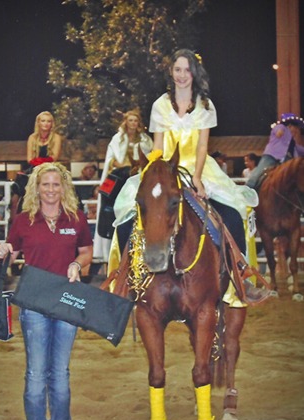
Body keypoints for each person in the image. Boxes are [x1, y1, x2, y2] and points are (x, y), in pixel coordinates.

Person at [113, 49, 268, 303]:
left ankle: (241, 275)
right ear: (171, 73)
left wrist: (196, 178)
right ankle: (125, 278)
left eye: (187, 70)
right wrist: (155, 174)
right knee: (126, 213)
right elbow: (158, 148)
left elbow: (201, 147)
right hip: (165, 167)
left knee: (233, 211)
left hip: (198, 167)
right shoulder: (160, 105)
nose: (182, 75)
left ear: (194, 74)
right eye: (178, 70)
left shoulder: (205, 105)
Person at [0, 162, 93, 420]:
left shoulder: (76, 219)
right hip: (34, 304)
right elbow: (11, 251)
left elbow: (86, 252)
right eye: (45, 184)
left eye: (56, 184)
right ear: (36, 188)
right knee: (37, 373)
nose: (51, 190)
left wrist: (78, 264)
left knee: (60, 374)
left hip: (66, 301)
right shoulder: (24, 220)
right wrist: (3, 251)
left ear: (64, 187)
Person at [93, 109, 153, 263]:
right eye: (130, 120)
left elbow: (149, 158)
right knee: (109, 210)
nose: (133, 123)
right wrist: (121, 165)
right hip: (118, 179)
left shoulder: (146, 140)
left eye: (135, 121)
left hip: (136, 179)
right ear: (126, 122)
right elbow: (110, 159)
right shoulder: (117, 139)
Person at [10, 111, 63, 224]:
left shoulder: (56, 137)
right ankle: (15, 220)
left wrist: (43, 164)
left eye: (48, 121)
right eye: (43, 121)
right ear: (38, 123)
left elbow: (54, 157)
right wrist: (38, 165)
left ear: (52, 124)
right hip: (33, 168)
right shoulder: (32, 138)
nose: (46, 123)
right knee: (17, 192)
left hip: (51, 168)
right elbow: (29, 158)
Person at [247, 113, 304, 189]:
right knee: (259, 172)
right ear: (290, 125)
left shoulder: (292, 144)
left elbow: (300, 149)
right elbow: (278, 131)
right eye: (296, 128)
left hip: (286, 162)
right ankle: (248, 188)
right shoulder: (281, 127)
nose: (297, 131)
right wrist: (279, 132)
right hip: (271, 156)